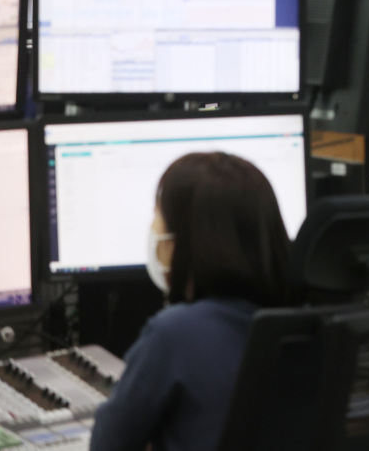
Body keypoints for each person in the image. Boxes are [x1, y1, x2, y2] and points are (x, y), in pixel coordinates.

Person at [90, 153, 292, 451]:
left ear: (183, 240)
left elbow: (109, 444)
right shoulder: (300, 325)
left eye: (158, 218)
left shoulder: (176, 333)